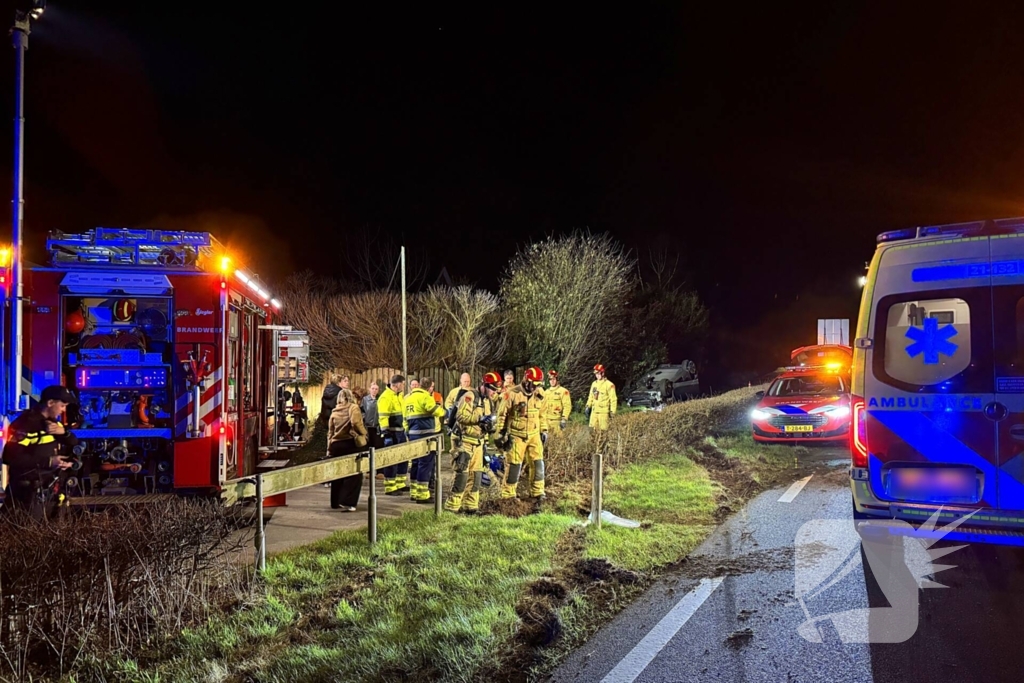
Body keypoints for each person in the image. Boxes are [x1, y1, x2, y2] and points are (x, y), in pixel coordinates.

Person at [2, 385, 79, 521]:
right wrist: (49, 461)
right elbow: (10, 457)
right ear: (50, 403)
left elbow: (73, 443)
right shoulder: (26, 425)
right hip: (26, 495)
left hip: (50, 493)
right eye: (62, 406)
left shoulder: (55, 425)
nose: (63, 410)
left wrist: (65, 435)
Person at [444, 372, 499, 514]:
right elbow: (461, 416)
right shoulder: (469, 397)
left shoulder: (487, 401)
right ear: (484, 386)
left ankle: (470, 507)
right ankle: (452, 508)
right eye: (492, 389)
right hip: (464, 441)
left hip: (478, 443)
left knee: (476, 476)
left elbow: (486, 421)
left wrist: (487, 433)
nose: (493, 392)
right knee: (462, 475)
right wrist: (479, 419)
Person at [494, 366, 547, 500]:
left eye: (537, 385)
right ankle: (508, 495)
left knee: (538, 464)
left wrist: (544, 430)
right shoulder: (512, 393)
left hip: (534, 435)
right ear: (526, 380)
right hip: (517, 436)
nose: (535, 387)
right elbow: (502, 414)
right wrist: (500, 433)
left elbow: (542, 413)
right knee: (514, 466)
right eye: (533, 384)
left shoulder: (539, 393)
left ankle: (538, 492)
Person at [403, 377, 444, 503]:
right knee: (425, 464)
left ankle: (414, 492)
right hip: (426, 435)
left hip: (412, 434)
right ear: (429, 387)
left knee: (415, 463)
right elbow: (436, 411)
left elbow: (404, 418)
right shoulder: (426, 397)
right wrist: (445, 412)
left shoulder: (407, 398)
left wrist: (408, 433)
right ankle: (422, 495)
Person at [327, 389, 367, 511]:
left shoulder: (335, 411)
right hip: (349, 443)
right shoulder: (353, 407)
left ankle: (335, 502)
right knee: (354, 474)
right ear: (351, 396)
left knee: (337, 473)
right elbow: (355, 422)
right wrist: (363, 433)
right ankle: (348, 502)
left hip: (336, 445)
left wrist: (329, 448)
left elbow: (330, 432)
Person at [377, 375, 409, 495]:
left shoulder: (398, 396)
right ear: (397, 384)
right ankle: (390, 487)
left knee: (403, 458)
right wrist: (386, 433)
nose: (404, 386)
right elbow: (383, 416)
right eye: (403, 384)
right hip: (392, 433)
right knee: (392, 459)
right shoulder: (386, 397)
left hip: (400, 432)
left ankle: (400, 484)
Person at [586, 364, 618, 430]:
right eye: (596, 374)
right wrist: (588, 406)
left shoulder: (609, 385)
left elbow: (613, 399)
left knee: (603, 433)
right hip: (594, 412)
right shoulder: (594, 384)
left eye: (598, 373)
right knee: (592, 431)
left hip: (603, 413)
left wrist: (612, 411)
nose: (597, 375)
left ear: (603, 373)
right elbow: (591, 397)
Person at [362, 381, 382, 447]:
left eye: (376, 389)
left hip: (377, 427)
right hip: (368, 427)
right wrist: (364, 419)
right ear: (369, 389)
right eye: (373, 388)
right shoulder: (365, 399)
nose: (374, 390)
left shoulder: (380, 399)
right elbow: (362, 411)